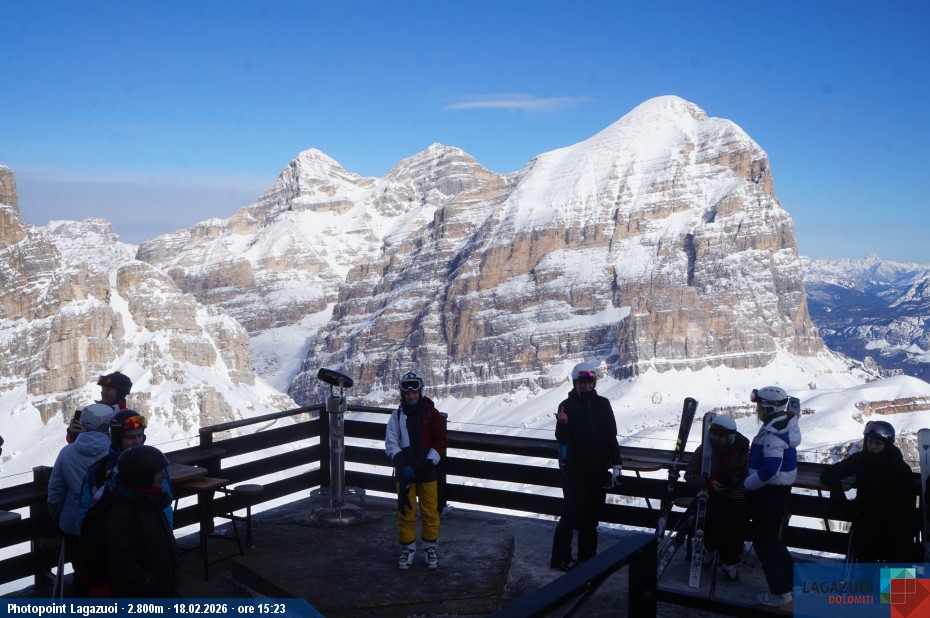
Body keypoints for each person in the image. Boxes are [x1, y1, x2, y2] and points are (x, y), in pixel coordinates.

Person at [550, 363, 623, 571]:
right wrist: (563, 424)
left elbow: (611, 436)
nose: (586, 385)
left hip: (599, 471)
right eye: (582, 382)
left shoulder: (603, 404)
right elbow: (562, 439)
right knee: (571, 516)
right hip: (576, 472)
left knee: (591, 517)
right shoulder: (567, 405)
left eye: (590, 382)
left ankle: (588, 557)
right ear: (575, 383)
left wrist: (617, 463)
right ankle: (560, 559)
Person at [820, 420, 918, 563]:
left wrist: (893, 527)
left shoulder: (900, 468)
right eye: (870, 441)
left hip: (894, 521)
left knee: (898, 555)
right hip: (867, 518)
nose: (872, 446)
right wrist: (836, 488)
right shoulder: (861, 459)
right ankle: (870, 576)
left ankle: (891, 579)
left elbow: (907, 502)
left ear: (887, 444)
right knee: (866, 552)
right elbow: (829, 472)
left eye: (877, 443)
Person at [47, 403, 118, 596]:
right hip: (108, 523)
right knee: (109, 571)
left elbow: (55, 493)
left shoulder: (67, 453)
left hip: (73, 524)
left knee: (81, 569)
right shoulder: (115, 453)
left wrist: (57, 518)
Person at [744, 386, 801, 608]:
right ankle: (795, 584)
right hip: (777, 493)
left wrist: (748, 484)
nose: (757, 410)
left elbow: (770, 469)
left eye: (759, 406)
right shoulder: (783, 424)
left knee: (763, 543)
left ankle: (781, 593)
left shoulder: (773, 433)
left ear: (767, 408)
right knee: (772, 541)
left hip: (770, 493)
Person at [385, 371, 448, 570]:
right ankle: (407, 549)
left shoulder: (431, 414)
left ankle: (430, 548)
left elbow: (440, 440)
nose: (411, 395)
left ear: (420, 392)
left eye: (414, 392)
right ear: (402, 394)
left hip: (428, 473)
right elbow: (391, 442)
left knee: (430, 511)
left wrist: (430, 462)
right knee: (406, 511)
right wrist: (402, 464)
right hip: (406, 474)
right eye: (407, 393)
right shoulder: (397, 416)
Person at [104, 445, 179, 597]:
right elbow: (122, 564)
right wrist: (152, 586)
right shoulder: (121, 515)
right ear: (142, 477)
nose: (163, 476)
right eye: (158, 472)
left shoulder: (152, 503)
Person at [684, 414, 749, 583]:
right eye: (712, 433)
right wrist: (708, 481)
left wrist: (734, 494)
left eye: (720, 435)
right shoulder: (705, 449)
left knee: (733, 522)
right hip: (710, 493)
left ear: (730, 436)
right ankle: (710, 548)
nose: (715, 438)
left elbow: (749, 480)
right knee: (709, 517)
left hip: (734, 494)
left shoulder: (742, 452)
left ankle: (729, 561)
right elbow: (690, 475)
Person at [67, 371, 133, 443]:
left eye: (108, 389)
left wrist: (86, 436)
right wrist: (73, 433)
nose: (103, 392)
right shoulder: (92, 413)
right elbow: (72, 442)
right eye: (103, 388)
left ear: (120, 393)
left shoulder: (127, 419)